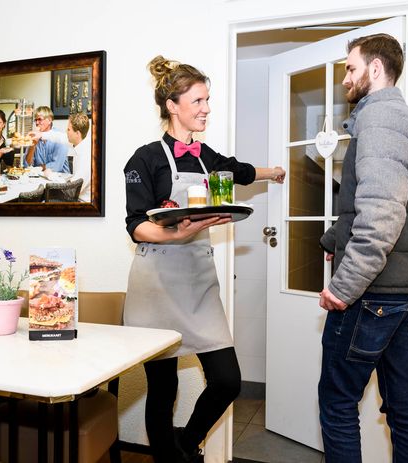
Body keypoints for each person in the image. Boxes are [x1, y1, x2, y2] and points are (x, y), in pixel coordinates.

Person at [123, 55, 285, 463]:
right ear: (172, 106)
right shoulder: (144, 159)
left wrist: (273, 172)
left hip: (198, 283)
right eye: (197, 101)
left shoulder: (203, 156)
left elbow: (237, 170)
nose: (206, 108)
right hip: (156, 282)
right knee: (162, 389)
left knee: (227, 380)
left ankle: (186, 441)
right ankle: (169, 457)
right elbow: (136, 224)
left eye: (207, 100)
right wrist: (177, 231)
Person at [316, 34, 408, 463]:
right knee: (403, 405)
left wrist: (343, 286)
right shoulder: (407, 118)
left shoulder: (380, 119)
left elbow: (383, 216)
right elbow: (394, 202)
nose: (345, 78)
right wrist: (333, 240)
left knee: (337, 402)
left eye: (350, 69)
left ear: (374, 69)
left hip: (374, 293)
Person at [67, 112, 91, 202]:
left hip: (82, 203)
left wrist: (52, 176)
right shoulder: (82, 147)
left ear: (77, 133)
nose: (66, 132)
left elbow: (73, 190)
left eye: (68, 130)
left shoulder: (85, 155)